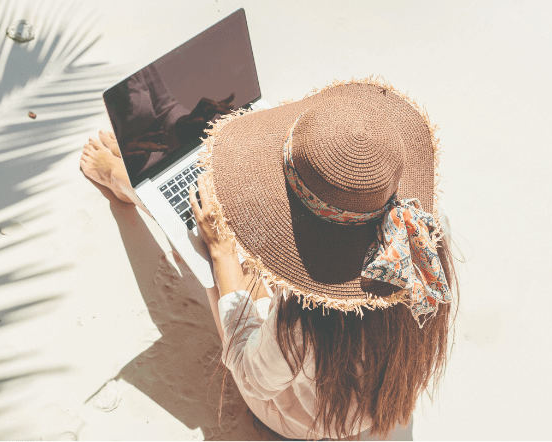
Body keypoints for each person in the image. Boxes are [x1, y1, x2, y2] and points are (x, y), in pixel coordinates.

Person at [81, 79, 457, 439]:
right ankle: (159, 165)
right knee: (244, 249)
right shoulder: (420, 238)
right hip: (374, 397)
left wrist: (221, 250)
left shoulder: (305, 321)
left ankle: (133, 185)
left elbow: (250, 375)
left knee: (223, 243)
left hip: (308, 419)